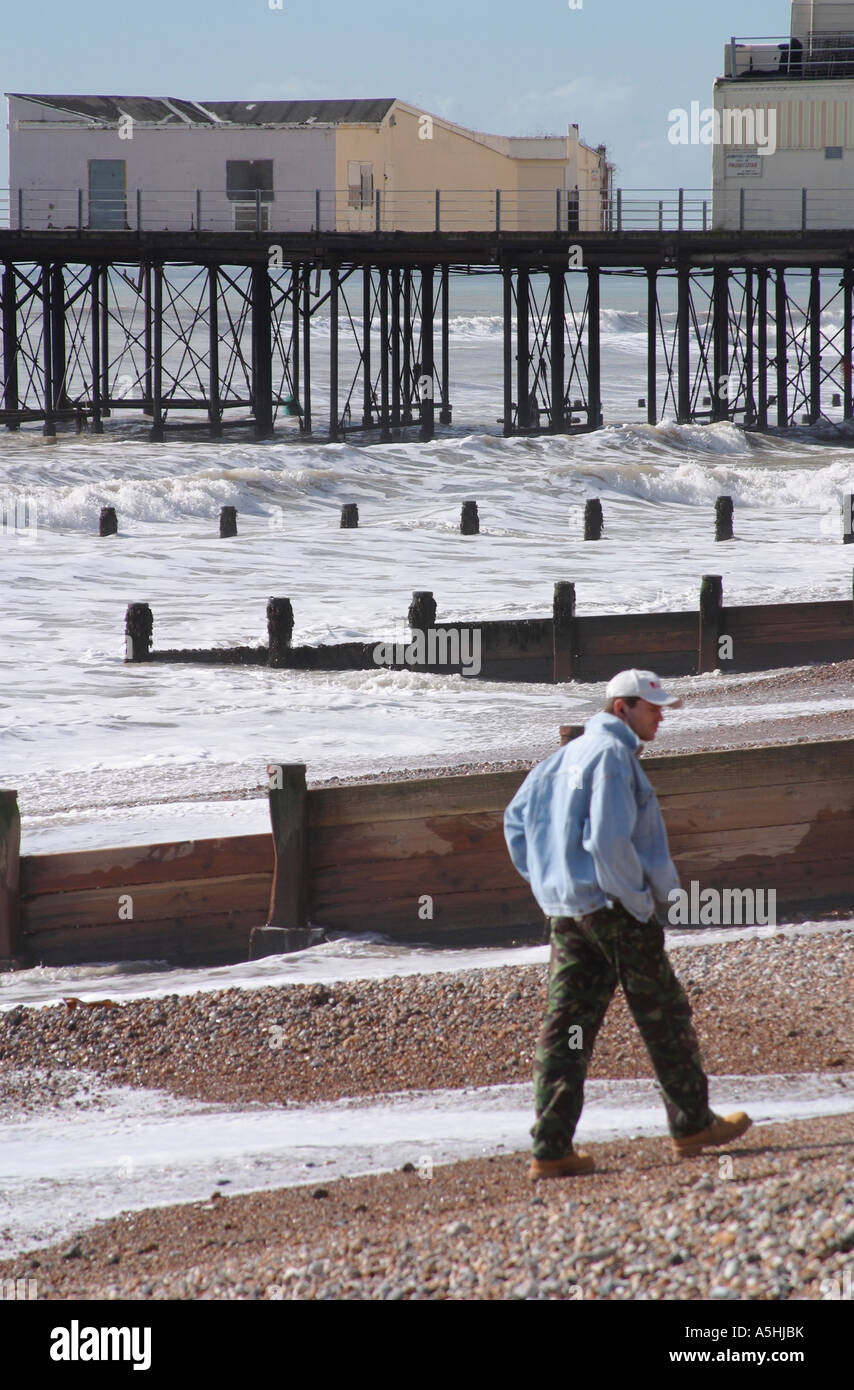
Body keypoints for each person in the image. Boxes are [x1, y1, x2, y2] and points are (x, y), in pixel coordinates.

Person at [504, 668, 752, 1179]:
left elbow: (515, 822)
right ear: (622, 709)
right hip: (615, 910)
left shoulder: (560, 758)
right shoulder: (613, 757)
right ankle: (691, 1124)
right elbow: (611, 841)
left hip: (569, 913)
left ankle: (550, 1148)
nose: (661, 715)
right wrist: (639, 901)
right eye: (652, 707)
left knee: (569, 1028)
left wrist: (548, 884)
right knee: (662, 1012)